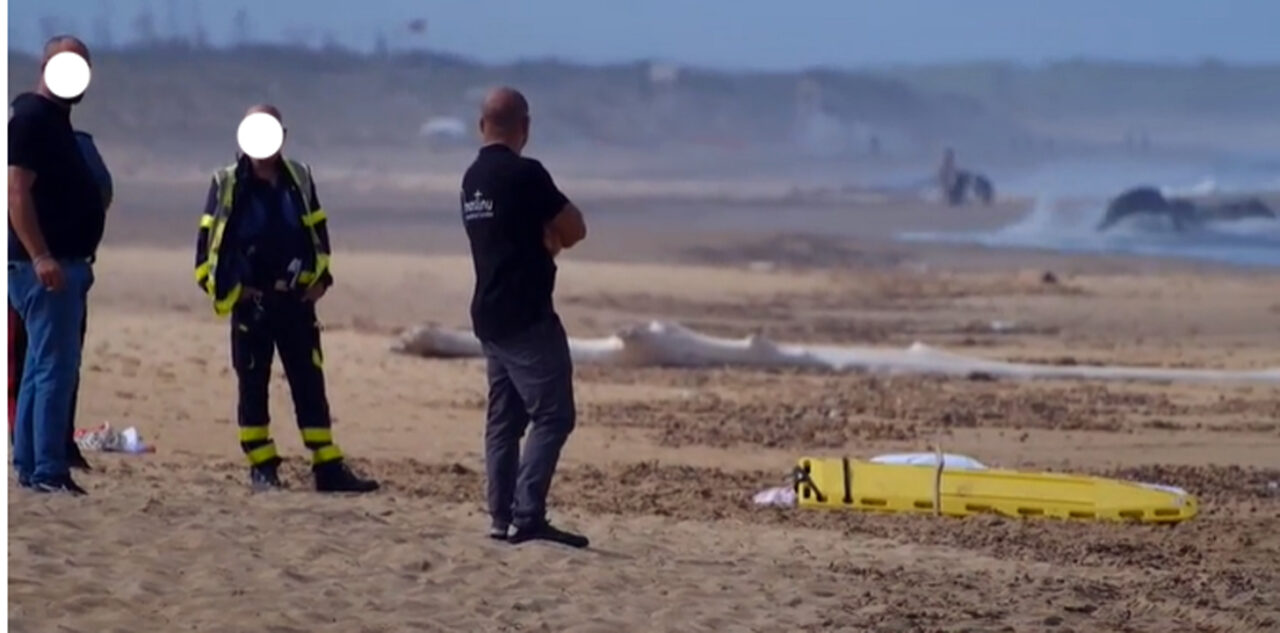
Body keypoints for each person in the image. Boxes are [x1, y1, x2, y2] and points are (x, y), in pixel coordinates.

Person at [193, 104, 378, 493]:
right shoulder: (226, 183)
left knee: (309, 383)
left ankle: (327, 466)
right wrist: (234, 290)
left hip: (295, 302)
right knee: (253, 384)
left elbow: (317, 231)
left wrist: (321, 280)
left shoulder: (300, 177)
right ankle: (262, 466)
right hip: (251, 305)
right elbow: (206, 251)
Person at [460, 87, 589, 547]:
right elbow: (575, 226)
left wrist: (543, 236)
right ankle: (527, 513)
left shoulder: (473, 178)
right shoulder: (524, 174)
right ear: (525, 128)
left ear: (482, 127)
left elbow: (507, 235)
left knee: (505, 421)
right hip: (526, 314)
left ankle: (501, 516)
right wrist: (553, 239)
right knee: (554, 415)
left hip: (489, 313)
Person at [8, 36, 106, 494]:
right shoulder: (30, 119)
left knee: (38, 366)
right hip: (45, 268)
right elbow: (16, 193)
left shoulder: (56, 122)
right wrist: (41, 254)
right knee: (53, 370)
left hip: (60, 264)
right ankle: (47, 470)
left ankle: (31, 464)